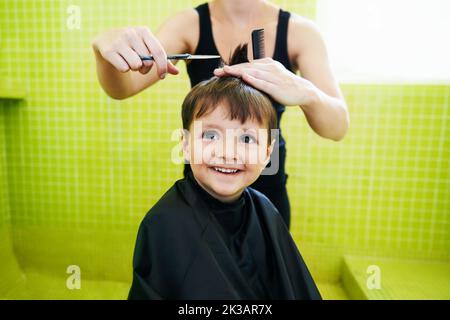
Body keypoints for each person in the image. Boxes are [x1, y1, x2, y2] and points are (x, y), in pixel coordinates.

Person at [92, 0, 349, 229]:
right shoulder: (188, 25)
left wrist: (305, 91)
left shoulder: (300, 33)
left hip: (268, 187)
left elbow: (337, 127)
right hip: (203, 187)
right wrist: (105, 52)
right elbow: (122, 88)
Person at [127, 45, 322, 300]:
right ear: (185, 145)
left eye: (247, 139)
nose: (228, 152)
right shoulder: (163, 224)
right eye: (210, 135)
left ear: (267, 152)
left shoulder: (266, 212)